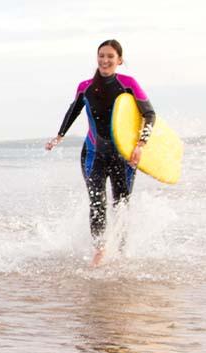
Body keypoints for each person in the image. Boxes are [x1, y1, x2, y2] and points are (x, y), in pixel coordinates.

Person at [45, 39, 155, 266]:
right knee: (97, 202)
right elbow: (73, 110)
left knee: (121, 204)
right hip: (94, 153)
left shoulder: (128, 84)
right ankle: (100, 249)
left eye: (110, 57)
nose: (105, 60)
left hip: (123, 156)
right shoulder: (85, 86)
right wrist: (59, 136)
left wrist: (140, 145)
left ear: (119, 60)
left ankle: (123, 250)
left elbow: (150, 115)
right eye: (101, 55)